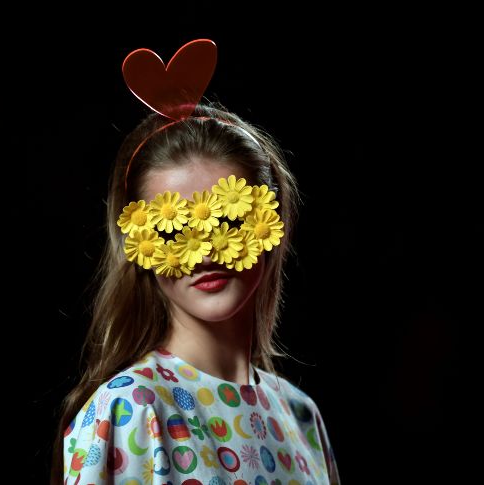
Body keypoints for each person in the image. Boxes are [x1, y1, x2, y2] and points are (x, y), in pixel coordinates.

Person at [51, 39, 340, 485]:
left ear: (270, 223)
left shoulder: (302, 417)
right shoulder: (130, 409)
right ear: (138, 244)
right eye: (172, 231)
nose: (204, 250)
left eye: (227, 219)